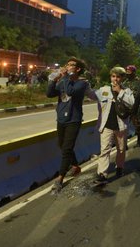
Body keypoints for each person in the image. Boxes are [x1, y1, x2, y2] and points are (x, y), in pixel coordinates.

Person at [46, 57, 90, 193]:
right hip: (61, 119)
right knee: (62, 145)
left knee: (66, 149)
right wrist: (54, 80)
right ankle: (75, 165)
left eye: (71, 65)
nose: (68, 66)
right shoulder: (63, 81)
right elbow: (49, 94)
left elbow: (70, 91)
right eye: (67, 64)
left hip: (73, 120)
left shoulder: (82, 83)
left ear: (77, 69)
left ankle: (60, 179)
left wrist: (65, 77)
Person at [89, 67, 134, 183]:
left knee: (121, 149)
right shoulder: (104, 90)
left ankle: (120, 167)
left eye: (118, 77)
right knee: (104, 150)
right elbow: (91, 95)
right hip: (106, 126)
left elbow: (132, 103)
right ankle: (102, 175)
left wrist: (120, 92)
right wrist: (83, 84)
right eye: (113, 76)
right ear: (110, 77)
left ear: (122, 78)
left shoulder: (127, 91)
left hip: (121, 126)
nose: (115, 79)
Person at [123, 65, 140, 142]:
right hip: (126, 106)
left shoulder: (139, 82)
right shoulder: (124, 83)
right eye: (127, 72)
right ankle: (124, 143)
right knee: (124, 125)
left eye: (129, 72)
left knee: (138, 124)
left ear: (133, 72)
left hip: (137, 106)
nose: (128, 73)